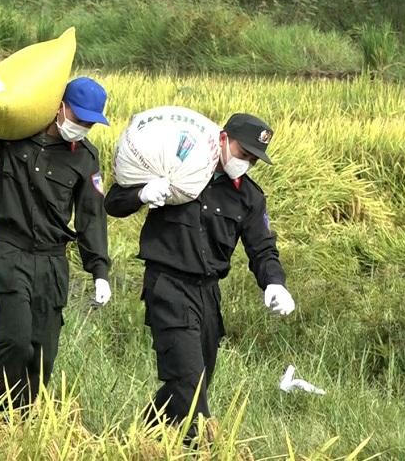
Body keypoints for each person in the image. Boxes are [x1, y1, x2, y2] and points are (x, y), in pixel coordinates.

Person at [104, 113, 295, 434]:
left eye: (252, 158)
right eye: (241, 152)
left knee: (197, 381)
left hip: (208, 294)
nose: (245, 162)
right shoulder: (178, 168)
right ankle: (197, 449)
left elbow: (262, 248)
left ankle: (142, 438)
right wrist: (143, 193)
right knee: (189, 384)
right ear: (222, 139)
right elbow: (113, 202)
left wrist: (275, 284)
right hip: (167, 285)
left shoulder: (249, 197)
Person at [0, 75, 112, 410]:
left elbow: (92, 216)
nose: (82, 128)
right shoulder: (14, 137)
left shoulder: (85, 158)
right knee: (16, 343)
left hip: (52, 262)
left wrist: (100, 270)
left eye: (90, 124)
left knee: (43, 356)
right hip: (11, 251)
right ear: (60, 108)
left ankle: (24, 423)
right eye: (78, 119)